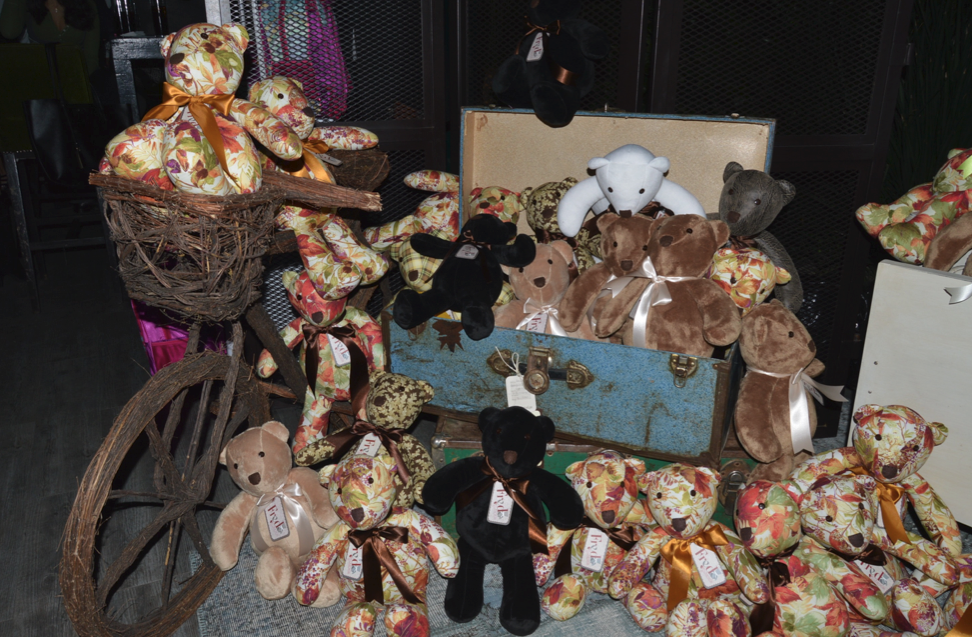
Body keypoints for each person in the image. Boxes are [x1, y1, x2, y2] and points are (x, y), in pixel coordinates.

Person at [0, 0, 100, 75]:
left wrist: (74, 80)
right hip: (38, 77)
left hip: (76, 80)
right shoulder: (30, 3)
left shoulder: (85, 4)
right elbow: (9, 32)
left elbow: (91, 58)